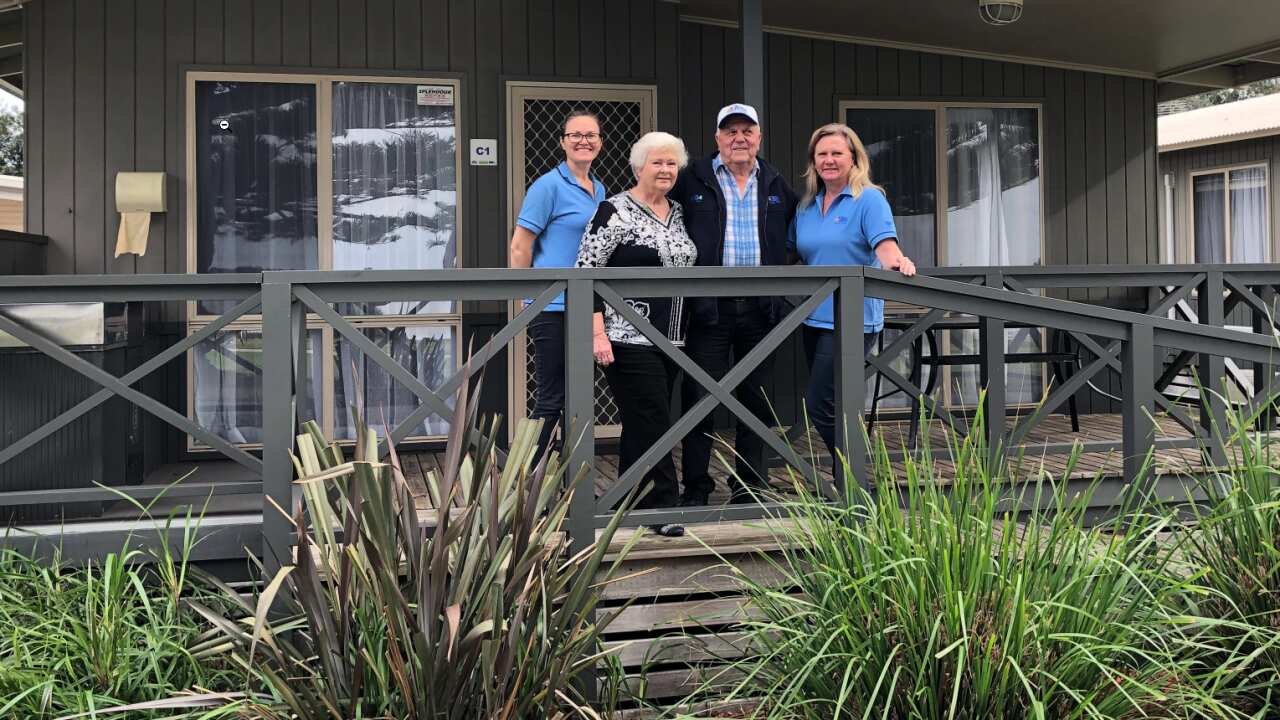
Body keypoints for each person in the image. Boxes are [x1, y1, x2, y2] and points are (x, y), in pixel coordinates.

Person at [669, 103, 799, 506]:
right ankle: (696, 488)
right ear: (717, 139)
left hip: (761, 311)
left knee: (757, 400)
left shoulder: (777, 185)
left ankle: (751, 486)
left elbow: (798, 238)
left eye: (747, 131)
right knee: (699, 400)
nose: (739, 138)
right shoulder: (691, 179)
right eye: (730, 131)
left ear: (759, 137)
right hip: (708, 311)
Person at [577, 132, 697, 537]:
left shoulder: (679, 212)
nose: (665, 170)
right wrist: (597, 333)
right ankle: (663, 506)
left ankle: (628, 498)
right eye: (657, 163)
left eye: (671, 163)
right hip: (627, 334)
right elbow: (584, 272)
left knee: (642, 420)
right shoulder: (613, 211)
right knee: (653, 418)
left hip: (676, 337)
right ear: (638, 167)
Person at [790, 123, 916, 459]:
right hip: (813, 318)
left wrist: (899, 263)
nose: (829, 160)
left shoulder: (869, 199)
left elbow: (886, 249)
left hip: (852, 319)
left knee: (820, 404)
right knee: (836, 405)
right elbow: (791, 253)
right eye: (822, 154)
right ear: (813, 162)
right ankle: (847, 487)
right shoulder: (807, 206)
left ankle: (859, 473)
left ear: (854, 158)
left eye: (837, 153)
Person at [509, 110, 607, 459]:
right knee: (550, 397)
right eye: (576, 135)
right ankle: (527, 483)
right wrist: (526, 299)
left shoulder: (599, 190)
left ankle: (569, 481)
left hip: (586, 306)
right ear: (563, 142)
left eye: (591, 135)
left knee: (577, 395)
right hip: (551, 306)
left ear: (600, 142)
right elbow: (521, 244)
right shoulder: (547, 186)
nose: (584, 141)